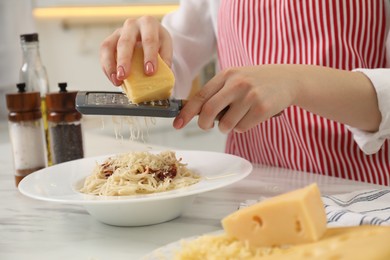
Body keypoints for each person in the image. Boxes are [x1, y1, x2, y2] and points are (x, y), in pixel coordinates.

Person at [100, 0, 390, 185]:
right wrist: (147, 52)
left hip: (360, 193)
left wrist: (295, 82)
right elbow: (177, 62)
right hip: (250, 194)